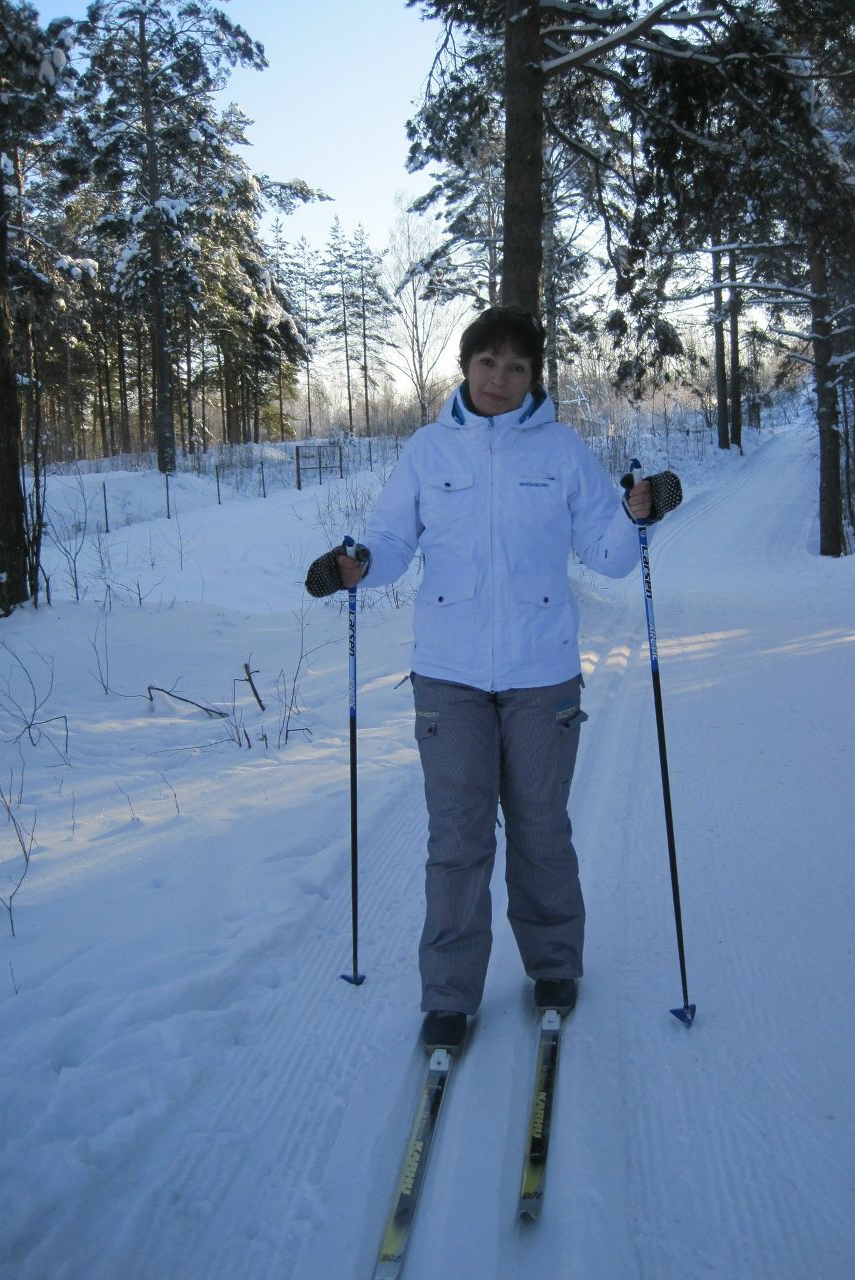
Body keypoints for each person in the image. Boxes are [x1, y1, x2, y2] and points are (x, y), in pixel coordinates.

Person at [306, 306, 680, 1054]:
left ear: (534, 377)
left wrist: (646, 509)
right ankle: (448, 995)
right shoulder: (427, 450)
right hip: (448, 676)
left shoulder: (564, 452)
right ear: (465, 366)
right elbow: (389, 539)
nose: (500, 379)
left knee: (542, 830)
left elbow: (608, 553)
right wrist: (354, 565)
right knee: (458, 840)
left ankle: (553, 967)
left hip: (543, 676)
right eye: (488, 363)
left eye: (516, 367)